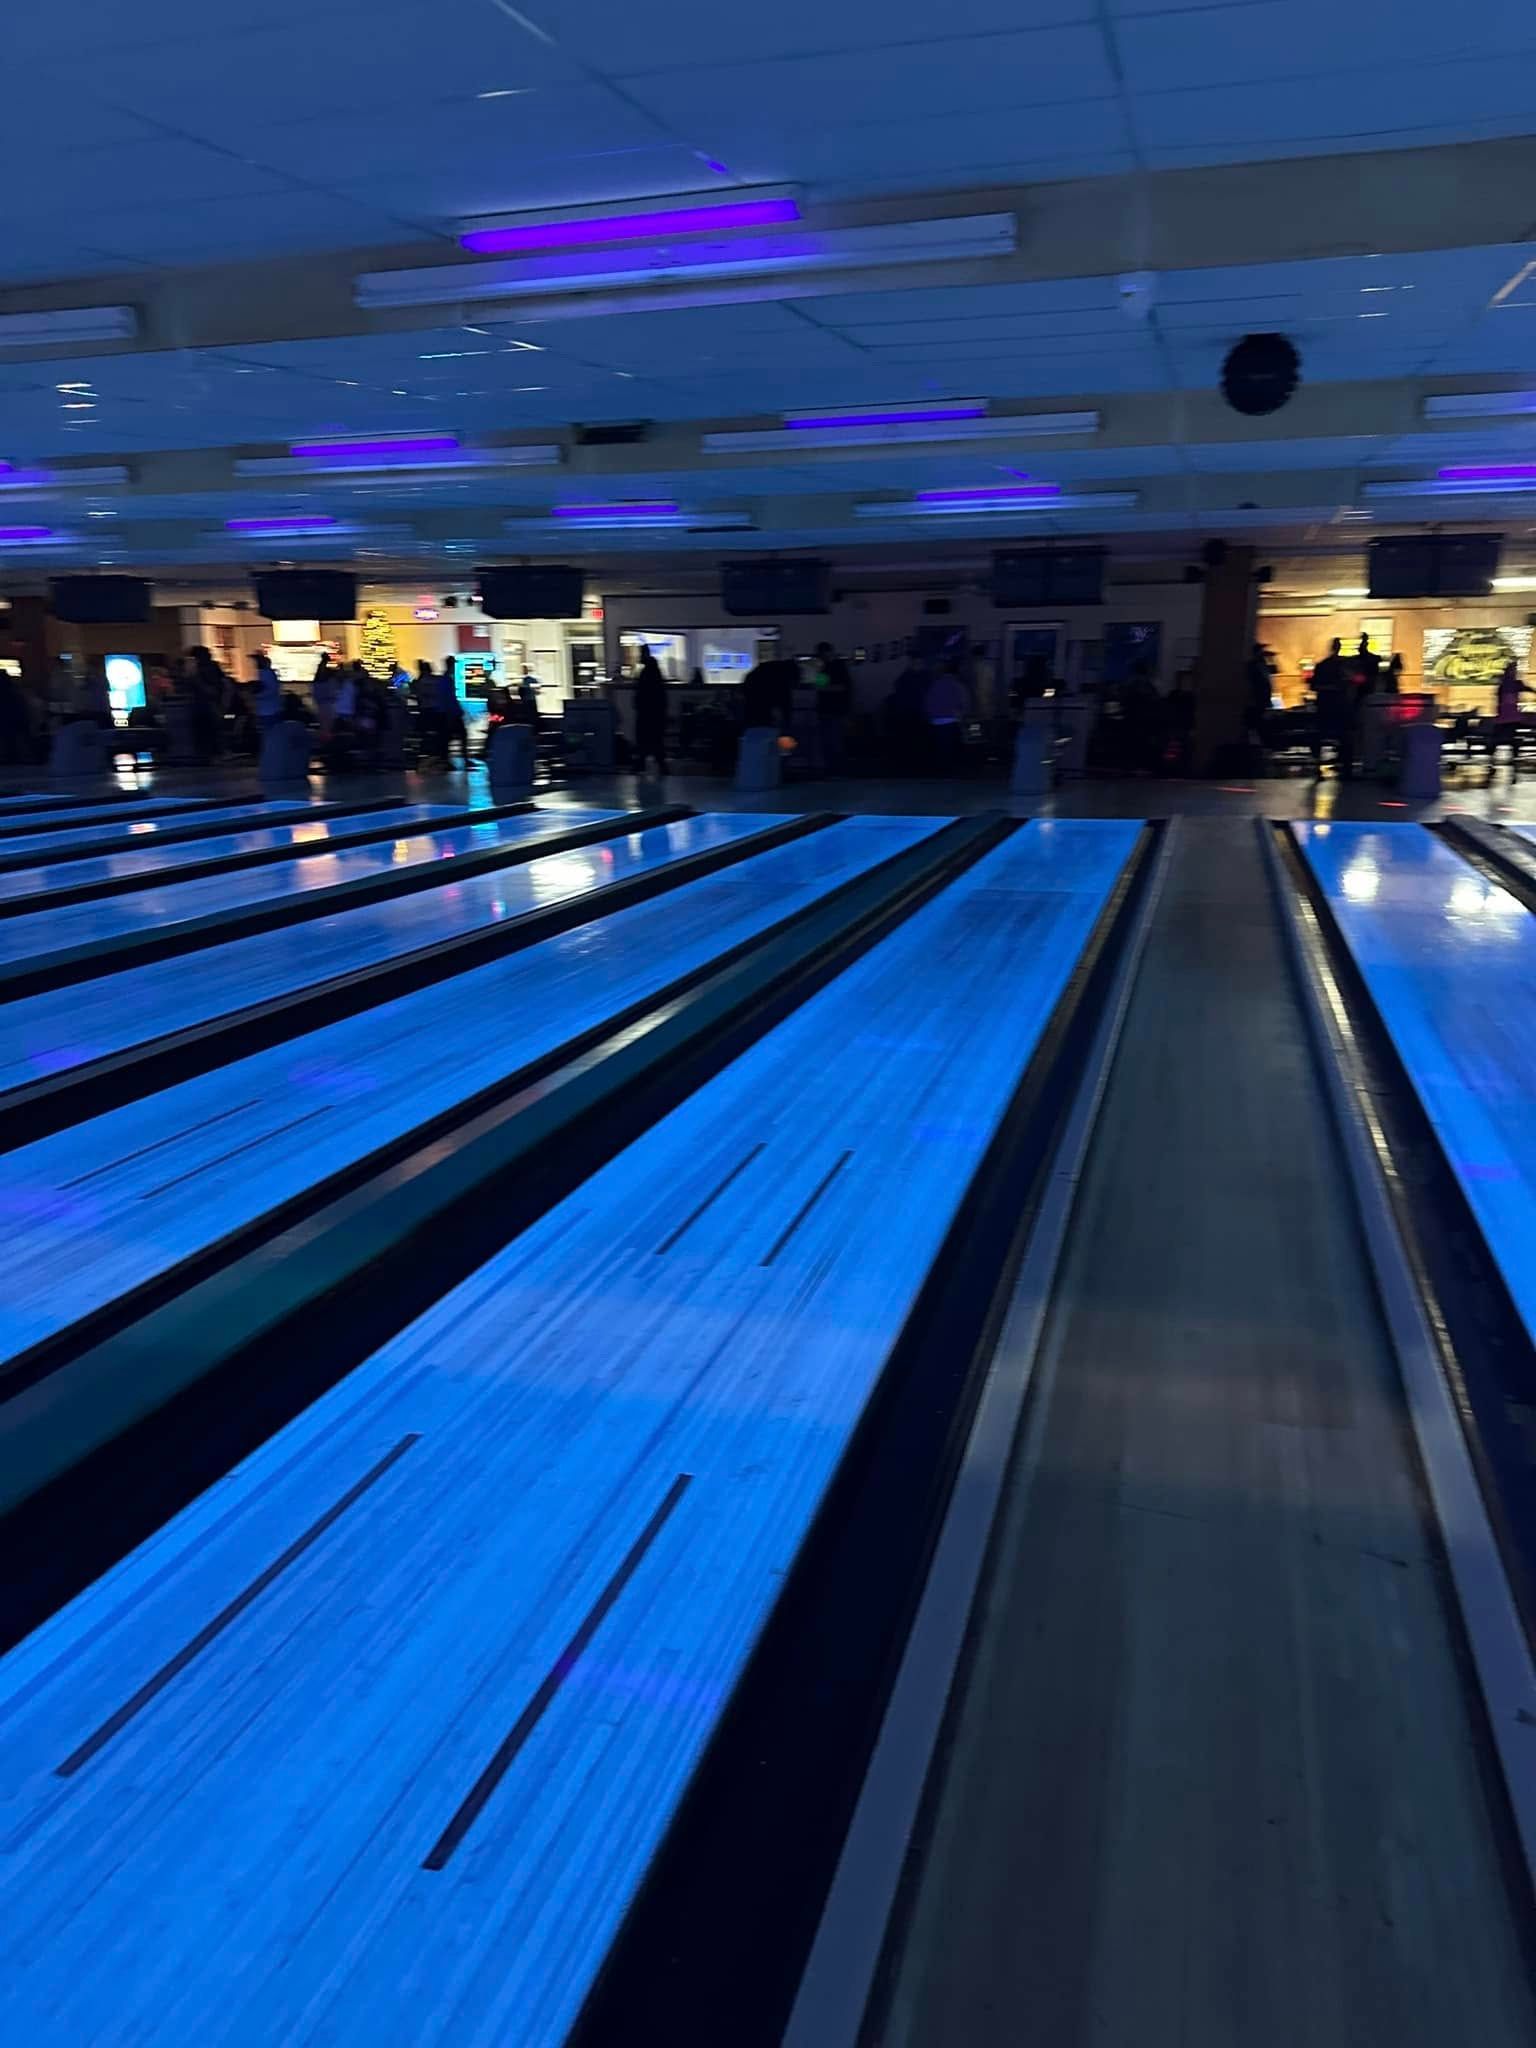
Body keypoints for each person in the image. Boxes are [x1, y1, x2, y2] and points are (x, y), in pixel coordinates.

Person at [1310, 636, 1353, 776]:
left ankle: (1318, 763)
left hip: (1325, 704)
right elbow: (1352, 682)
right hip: (1340, 704)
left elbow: (1313, 686)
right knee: (1343, 735)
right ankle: (1345, 765)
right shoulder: (1345, 665)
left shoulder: (1322, 665)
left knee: (1321, 734)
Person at [923, 663, 968, 773]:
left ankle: (940, 771)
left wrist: (929, 717)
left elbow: (928, 703)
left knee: (939, 749)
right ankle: (950, 771)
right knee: (950, 749)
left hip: (936, 721)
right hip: (952, 720)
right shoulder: (957, 686)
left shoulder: (934, 685)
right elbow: (963, 704)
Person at [633, 649, 669, 774]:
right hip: (656, 712)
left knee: (644, 738)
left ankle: (642, 763)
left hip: (647, 711)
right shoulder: (655, 671)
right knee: (656, 739)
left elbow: (642, 693)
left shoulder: (646, 672)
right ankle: (660, 764)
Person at [433, 661, 469, 768]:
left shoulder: (443, 679)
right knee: (461, 735)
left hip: (445, 713)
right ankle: (464, 759)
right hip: (450, 713)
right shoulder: (447, 680)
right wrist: (458, 710)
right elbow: (450, 698)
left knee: (446, 738)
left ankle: (445, 760)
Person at [1494, 660, 1523, 774]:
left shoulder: (1503, 684)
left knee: (1498, 740)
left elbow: (1498, 700)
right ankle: (1514, 762)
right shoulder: (1515, 683)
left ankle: (1493, 762)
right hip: (1510, 717)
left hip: (1503, 718)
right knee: (1510, 740)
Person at [252, 652, 282, 730]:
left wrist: (255, 696)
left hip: (267, 711)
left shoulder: (265, 674)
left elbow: (269, 691)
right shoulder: (269, 674)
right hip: (270, 709)